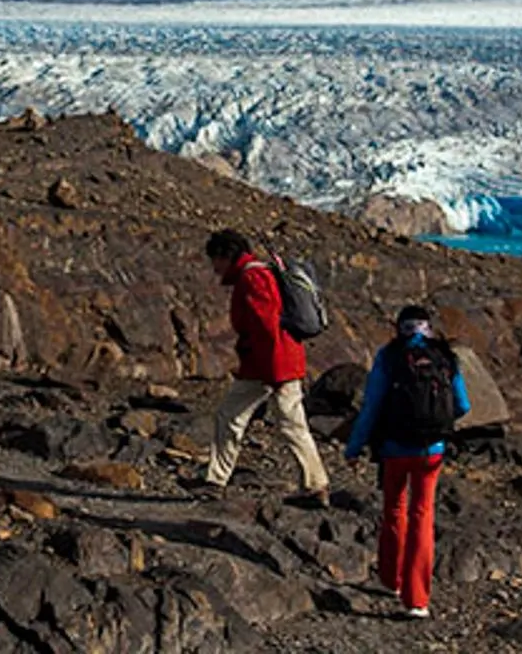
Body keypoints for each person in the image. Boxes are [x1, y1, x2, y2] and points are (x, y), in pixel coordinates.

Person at [343, 305, 471, 620]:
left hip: (394, 448)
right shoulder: (444, 356)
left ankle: (392, 579)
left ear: (399, 327)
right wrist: (436, 425)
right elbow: (464, 405)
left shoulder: (389, 357)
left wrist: (354, 447)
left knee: (394, 510)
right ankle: (418, 600)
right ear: (428, 327)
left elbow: (371, 406)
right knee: (423, 516)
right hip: (432, 451)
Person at [189, 229, 329, 503]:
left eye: (215, 260)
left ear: (226, 256)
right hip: (280, 362)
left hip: (267, 365)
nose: (214, 268)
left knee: (230, 416)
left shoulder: (251, 278)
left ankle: (215, 481)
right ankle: (315, 485)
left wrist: (270, 371)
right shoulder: (260, 272)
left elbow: (266, 326)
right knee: (292, 424)